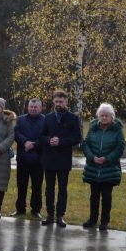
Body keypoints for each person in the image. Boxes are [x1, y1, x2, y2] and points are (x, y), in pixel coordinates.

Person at [41, 90, 81, 228]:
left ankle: (60, 216)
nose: (58, 104)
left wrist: (61, 141)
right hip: (49, 158)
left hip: (64, 159)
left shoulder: (73, 118)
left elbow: (77, 138)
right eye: (56, 101)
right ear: (53, 101)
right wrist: (49, 140)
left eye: (61, 101)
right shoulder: (47, 117)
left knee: (62, 189)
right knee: (49, 189)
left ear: (66, 102)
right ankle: (50, 215)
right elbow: (42, 136)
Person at [82, 103, 125, 231]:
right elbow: (86, 144)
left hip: (109, 168)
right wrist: (92, 157)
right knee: (94, 196)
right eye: (101, 115)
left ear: (112, 116)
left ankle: (104, 222)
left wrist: (107, 159)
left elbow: (120, 147)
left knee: (106, 197)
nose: (104, 118)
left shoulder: (117, 130)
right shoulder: (93, 128)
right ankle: (92, 220)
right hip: (93, 168)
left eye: (106, 115)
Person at [11, 98, 45, 219]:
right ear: (28, 107)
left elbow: (45, 137)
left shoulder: (45, 120)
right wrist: (25, 142)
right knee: (21, 185)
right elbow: (16, 133)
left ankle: (36, 210)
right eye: (31, 106)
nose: (33, 109)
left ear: (40, 108)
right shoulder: (20, 119)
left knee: (37, 186)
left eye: (36, 107)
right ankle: (20, 209)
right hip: (23, 159)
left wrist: (34, 144)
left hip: (38, 159)